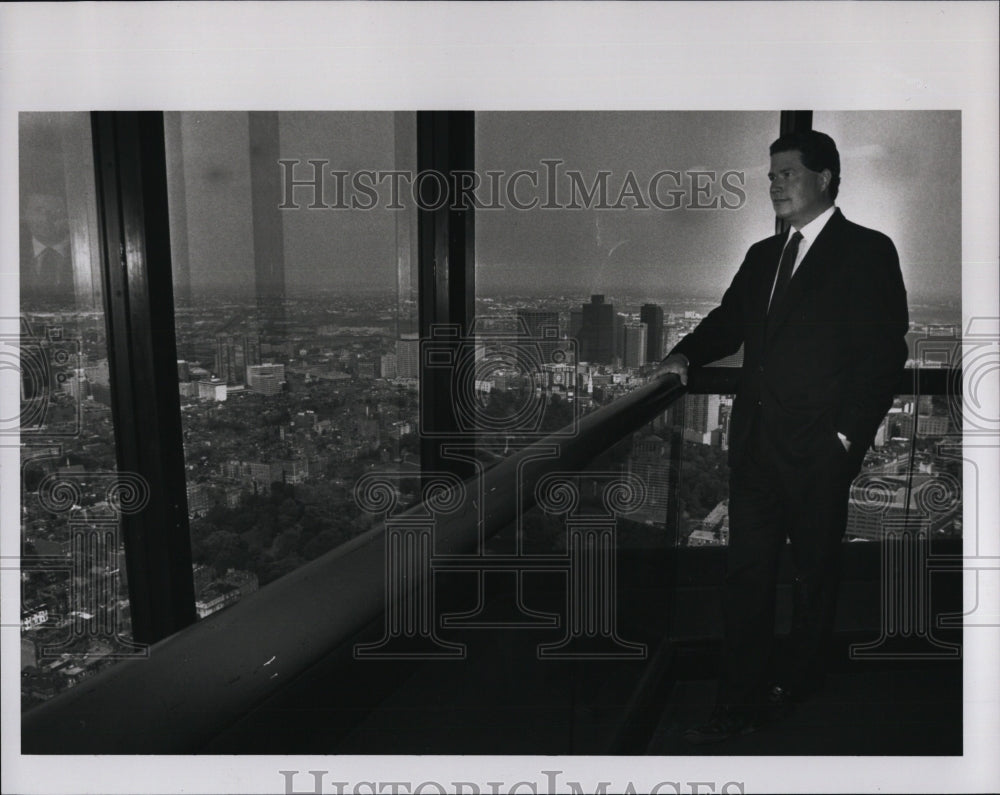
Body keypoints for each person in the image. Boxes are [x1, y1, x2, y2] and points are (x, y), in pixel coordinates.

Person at [655, 130, 909, 744]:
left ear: (825, 178)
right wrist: (683, 355)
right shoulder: (763, 256)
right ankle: (736, 700)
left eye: (787, 174)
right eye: (770, 176)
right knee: (746, 578)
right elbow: (729, 321)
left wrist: (846, 440)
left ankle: (797, 689)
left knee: (813, 579)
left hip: (820, 452)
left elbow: (884, 356)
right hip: (757, 449)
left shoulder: (868, 251)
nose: (774, 184)